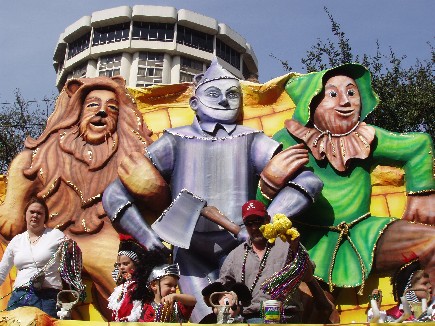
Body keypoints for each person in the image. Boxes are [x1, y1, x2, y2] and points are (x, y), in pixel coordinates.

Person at [103, 58, 323, 321]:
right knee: (205, 318)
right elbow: (114, 193)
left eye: (232, 94)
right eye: (213, 93)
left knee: (244, 315)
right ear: (194, 103)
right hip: (190, 252)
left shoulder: (251, 139)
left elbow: (309, 181)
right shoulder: (175, 140)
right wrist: (147, 236)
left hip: (240, 249)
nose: (223, 101)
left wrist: (264, 226)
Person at [261, 63, 435, 296]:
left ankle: (424, 312)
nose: (346, 101)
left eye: (352, 93)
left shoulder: (366, 137)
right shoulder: (288, 140)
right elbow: (259, 212)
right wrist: (269, 181)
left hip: (366, 234)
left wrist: (422, 194)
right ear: (310, 101)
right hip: (308, 244)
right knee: (301, 302)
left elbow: (419, 145)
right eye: (333, 94)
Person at [217, 200, 316, 324]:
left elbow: (308, 276)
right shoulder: (236, 255)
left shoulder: (288, 243)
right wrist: (223, 298)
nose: (254, 227)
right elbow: (219, 288)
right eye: (249, 223)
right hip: (252, 319)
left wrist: (296, 249)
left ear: (267, 219)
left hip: (287, 319)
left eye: (258, 221)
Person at [0, 197, 68, 318]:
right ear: (25, 215)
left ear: (45, 217)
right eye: (32, 212)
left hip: (47, 297)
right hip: (19, 296)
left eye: (39, 213)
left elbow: (71, 262)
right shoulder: (17, 240)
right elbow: (2, 271)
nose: (35, 215)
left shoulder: (56, 235)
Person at [108, 233, 151, 322]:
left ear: (136, 264)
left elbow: (140, 310)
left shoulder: (140, 287)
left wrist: (129, 319)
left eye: (126, 264)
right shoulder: (121, 288)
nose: (121, 267)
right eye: (119, 265)